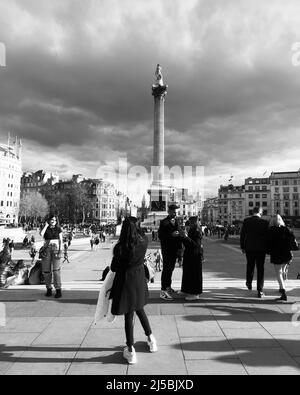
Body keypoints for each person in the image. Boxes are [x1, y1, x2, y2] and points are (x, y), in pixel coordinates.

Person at [109, 216, 157, 365]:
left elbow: (114, 268)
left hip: (125, 281)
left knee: (129, 315)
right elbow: (141, 234)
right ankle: (151, 339)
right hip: (139, 279)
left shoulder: (120, 247)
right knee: (140, 309)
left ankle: (130, 350)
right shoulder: (144, 241)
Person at [240, 206, 269, 298]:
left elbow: (242, 235)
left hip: (249, 248)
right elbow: (268, 237)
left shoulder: (246, 221)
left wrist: (242, 247)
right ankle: (260, 290)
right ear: (261, 212)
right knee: (260, 268)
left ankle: (249, 283)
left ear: (253, 212)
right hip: (261, 249)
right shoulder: (265, 222)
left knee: (250, 265)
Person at [267, 214, 297, 301]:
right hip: (286, 253)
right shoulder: (286, 229)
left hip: (276, 254)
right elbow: (293, 239)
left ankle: (282, 289)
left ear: (272, 221)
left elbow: (268, 243)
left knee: (278, 272)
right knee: (283, 271)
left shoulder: (270, 230)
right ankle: (282, 285)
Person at [158, 204, 182, 300]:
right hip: (167, 250)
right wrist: (171, 234)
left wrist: (180, 249)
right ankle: (163, 290)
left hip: (174, 249)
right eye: (173, 211)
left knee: (171, 269)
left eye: (176, 211)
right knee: (166, 270)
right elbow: (161, 236)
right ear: (169, 211)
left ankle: (168, 287)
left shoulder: (176, 221)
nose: (175, 212)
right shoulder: (164, 222)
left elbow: (179, 235)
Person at [180, 217, 203, 300]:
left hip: (194, 256)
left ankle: (194, 293)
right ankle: (186, 289)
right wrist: (182, 237)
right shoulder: (191, 231)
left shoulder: (197, 232)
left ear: (194, 223)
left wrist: (186, 237)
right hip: (189, 255)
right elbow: (187, 243)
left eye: (190, 223)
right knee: (187, 273)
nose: (189, 225)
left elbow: (195, 244)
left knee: (193, 274)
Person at [40, 214, 63, 298]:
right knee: (46, 270)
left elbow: (61, 240)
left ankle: (58, 289)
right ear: (49, 220)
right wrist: (46, 225)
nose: (53, 221)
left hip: (56, 249)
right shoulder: (46, 229)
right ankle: (48, 288)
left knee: (56, 270)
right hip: (46, 250)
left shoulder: (58, 229)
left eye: (55, 220)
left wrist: (60, 250)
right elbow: (41, 234)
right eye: (52, 220)